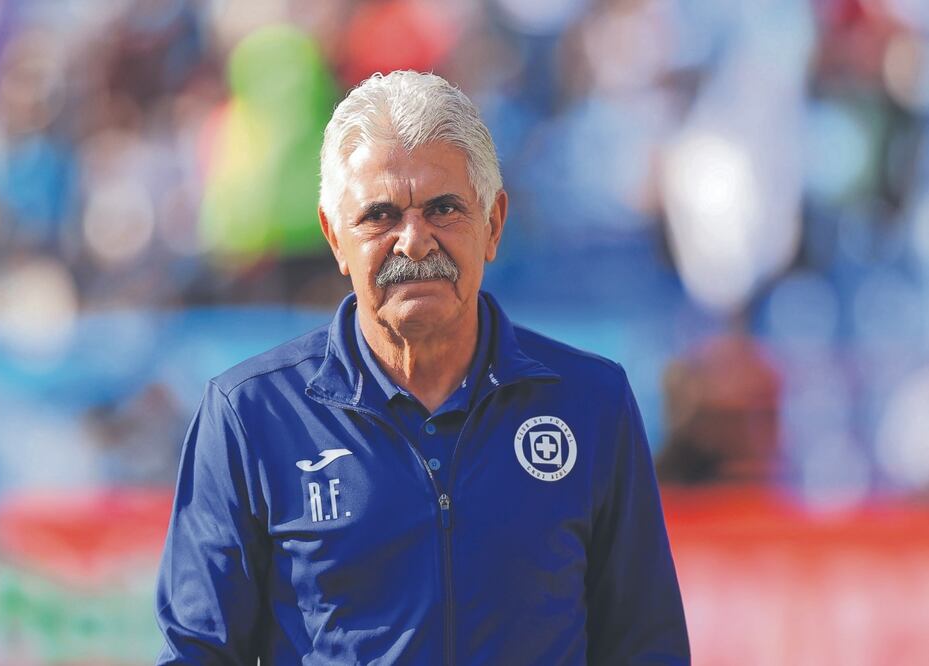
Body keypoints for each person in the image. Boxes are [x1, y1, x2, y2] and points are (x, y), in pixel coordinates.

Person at [156, 70, 689, 665]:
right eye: (379, 215)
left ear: (493, 224)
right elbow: (196, 651)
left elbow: (648, 645)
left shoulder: (592, 401)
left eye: (444, 209)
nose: (414, 240)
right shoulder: (250, 415)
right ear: (335, 238)